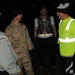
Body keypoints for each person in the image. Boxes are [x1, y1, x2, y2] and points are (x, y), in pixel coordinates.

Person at [5, 8, 34, 75]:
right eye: (20, 14)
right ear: (15, 16)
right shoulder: (9, 29)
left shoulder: (23, 26)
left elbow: (28, 38)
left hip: (25, 54)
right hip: (16, 55)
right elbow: (8, 44)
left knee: (30, 70)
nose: (22, 15)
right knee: (18, 72)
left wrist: (30, 48)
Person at [57, 3, 75, 75]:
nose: (57, 14)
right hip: (62, 54)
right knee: (65, 72)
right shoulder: (61, 22)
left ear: (63, 13)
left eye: (58, 12)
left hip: (71, 56)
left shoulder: (73, 23)